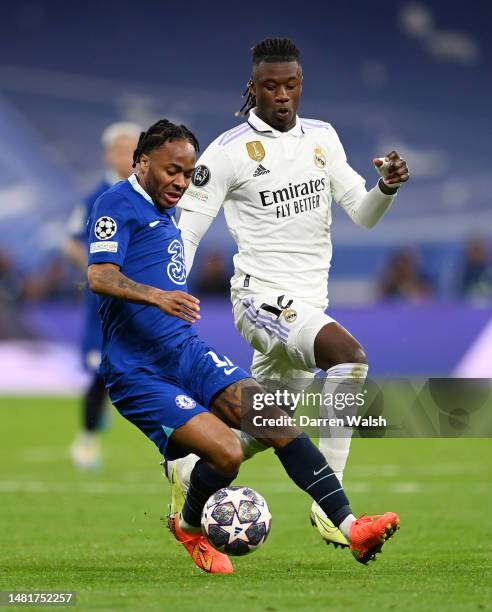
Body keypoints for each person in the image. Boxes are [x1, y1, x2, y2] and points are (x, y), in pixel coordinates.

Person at [87, 118, 400, 574]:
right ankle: (191, 527)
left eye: (187, 173)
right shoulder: (116, 203)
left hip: (185, 349)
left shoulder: (165, 209)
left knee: (274, 419)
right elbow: (99, 275)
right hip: (138, 369)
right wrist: (157, 296)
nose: (180, 181)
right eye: (171, 170)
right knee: (227, 453)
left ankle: (351, 527)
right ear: (141, 162)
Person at [176, 38, 410, 548]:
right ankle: (335, 513)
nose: (281, 95)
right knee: (349, 358)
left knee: (260, 429)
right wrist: (165, 296)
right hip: (260, 300)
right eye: (270, 86)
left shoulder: (324, 138)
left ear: (301, 85)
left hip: (307, 304)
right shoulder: (229, 150)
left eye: (291, 85)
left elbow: (363, 213)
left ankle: (191, 476)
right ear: (253, 88)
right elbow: (188, 232)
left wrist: (386, 187)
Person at [65, 121, 141, 469]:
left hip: (143, 301)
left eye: (135, 149)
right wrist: (101, 269)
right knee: (101, 370)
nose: (130, 156)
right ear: (109, 154)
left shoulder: (151, 193)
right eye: (124, 149)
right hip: (105, 305)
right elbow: (71, 243)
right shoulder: (95, 196)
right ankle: (87, 440)